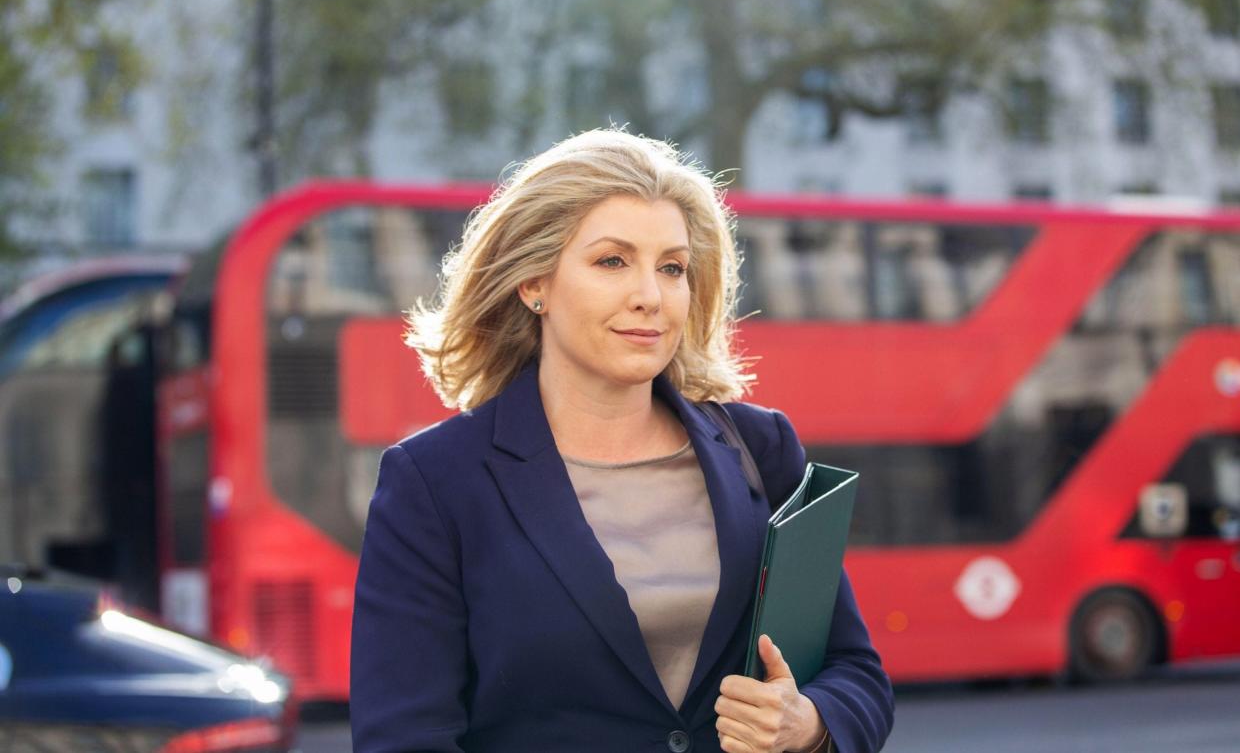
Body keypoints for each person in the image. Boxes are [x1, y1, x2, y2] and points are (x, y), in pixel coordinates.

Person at [350, 129, 894, 753]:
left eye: (672, 268)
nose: (650, 297)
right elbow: (403, 736)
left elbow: (856, 672)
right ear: (534, 285)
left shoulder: (761, 447)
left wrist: (809, 723)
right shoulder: (434, 480)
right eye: (613, 261)